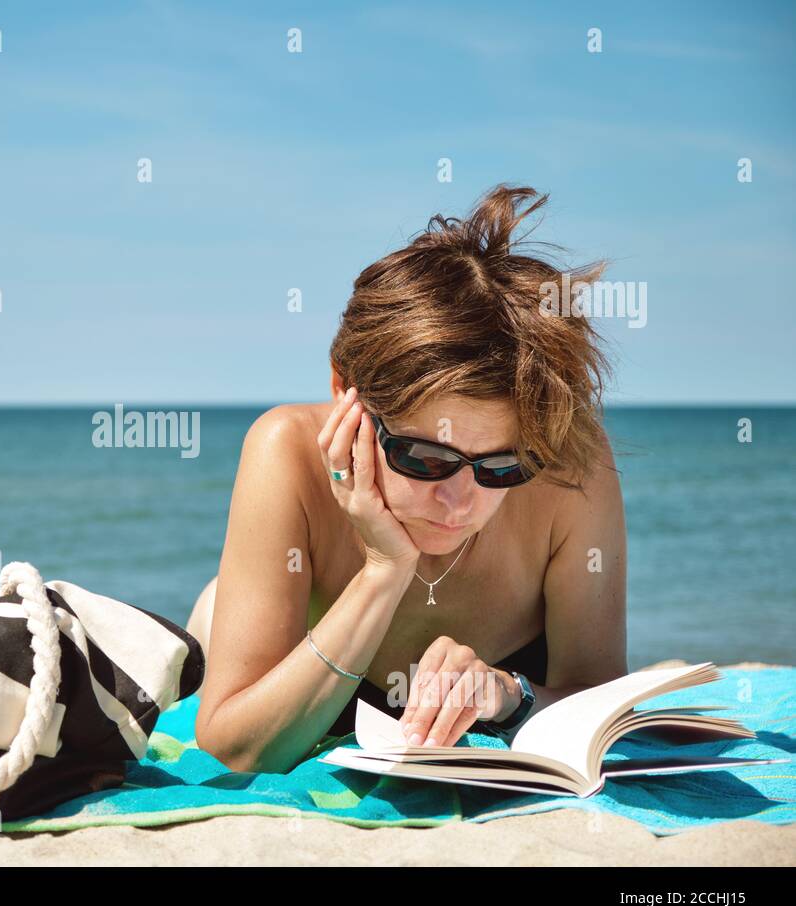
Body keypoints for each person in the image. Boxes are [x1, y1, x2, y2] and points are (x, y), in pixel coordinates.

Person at [189, 184, 628, 774]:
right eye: (425, 457)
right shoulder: (285, 450)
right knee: (217, 614)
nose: (459, 501)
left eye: (503, 466)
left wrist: (508, 694)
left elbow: (599, 697)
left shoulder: (568, 460)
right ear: (345, 390)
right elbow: (234, 746)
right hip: (274, 649)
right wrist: (382, 570)